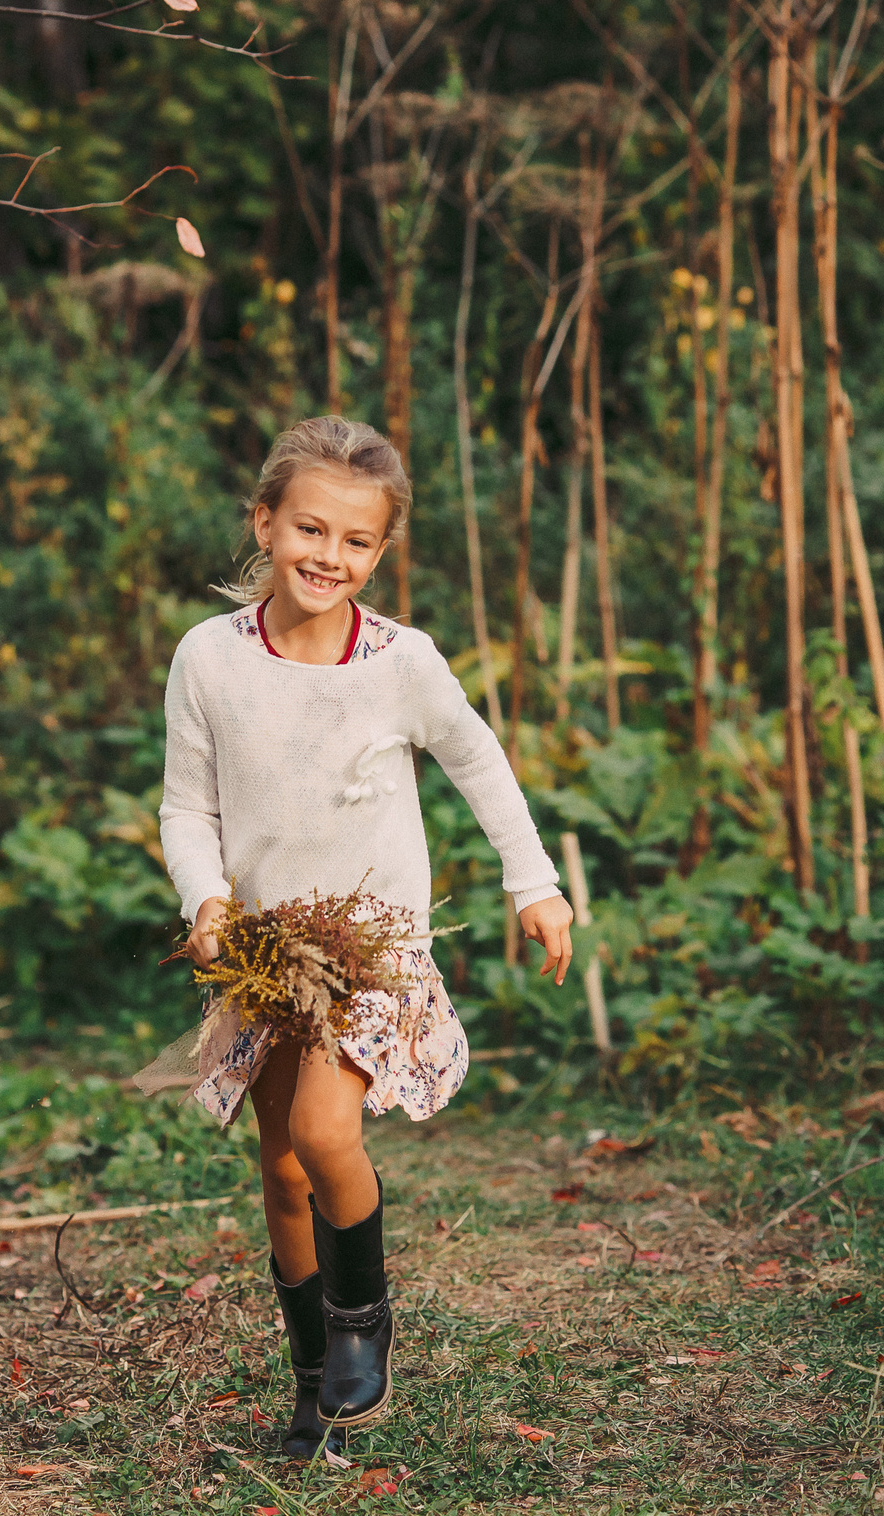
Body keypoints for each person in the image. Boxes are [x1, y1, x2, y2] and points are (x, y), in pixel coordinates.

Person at [157, 415, 575, 1461]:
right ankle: (314, 1393)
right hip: (263, 954)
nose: (327, 557)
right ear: (264, 520)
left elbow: (479, 762)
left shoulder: (402, 663)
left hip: (374, 949)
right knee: (281, 1169)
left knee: (326, 1137)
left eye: (355, 542)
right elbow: (184, 806)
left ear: (379, 552)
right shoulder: (209, 659)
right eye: (308, 529)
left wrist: (536, 885)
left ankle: (362, 1324)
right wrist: (204, 899)